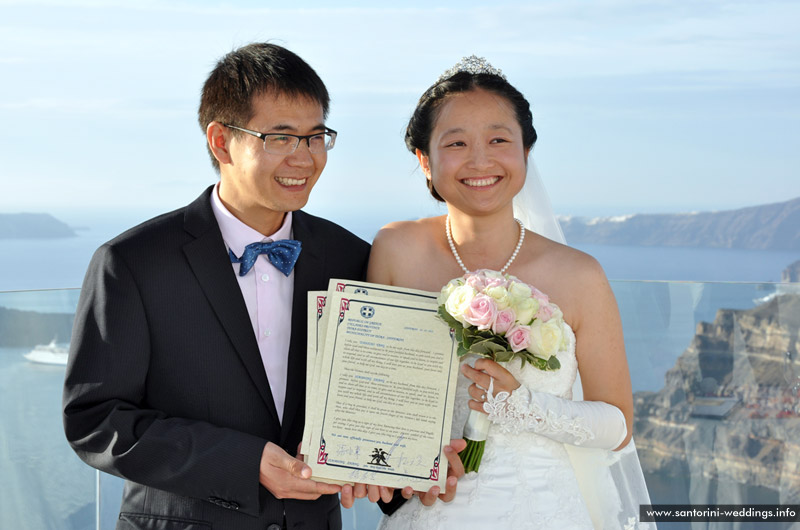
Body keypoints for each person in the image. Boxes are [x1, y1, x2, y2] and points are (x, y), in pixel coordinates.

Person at [62, 42, 377, 530]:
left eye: (316, 137)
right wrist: (242, 461)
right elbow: (96, 421)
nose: (304, 157)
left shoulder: (350, 257)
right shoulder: (132, 262)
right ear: (220, 140)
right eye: (280, 137)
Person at [369, 57, 652, 529]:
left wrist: (522, 405)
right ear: (424, 159)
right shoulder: (395, 250)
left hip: (543, 510)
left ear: (525, 151)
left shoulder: (580, 274)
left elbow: (618, 428)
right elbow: (373, 386)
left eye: (499, 140)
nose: (480, 161)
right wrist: (407, 456)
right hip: (431, 508)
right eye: (456, 143)